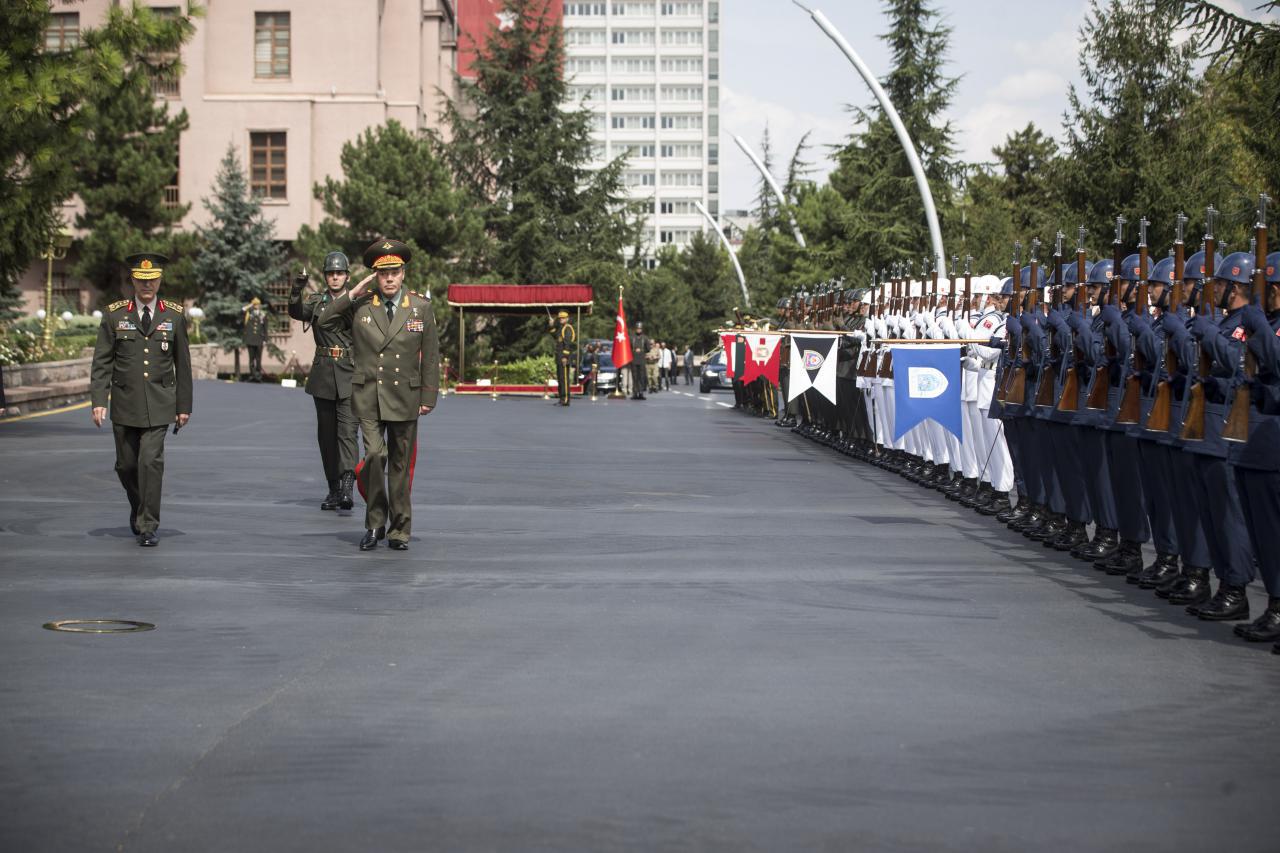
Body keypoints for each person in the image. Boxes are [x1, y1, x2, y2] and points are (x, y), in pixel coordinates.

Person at [318, 239, 439, 552]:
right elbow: (324, 319)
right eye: (382, 273)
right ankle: (374, 523)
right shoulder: (360, 305)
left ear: (403, 274)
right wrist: (352, 292)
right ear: (374, 275)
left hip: (405, 397)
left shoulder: (420, 307)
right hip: (369, 395)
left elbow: (432, 355)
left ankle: (399, 529)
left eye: (394, 272)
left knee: (399, 465)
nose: (388, 278)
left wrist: (429, 396)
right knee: (374, 456)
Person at [89, 252, 192, 546]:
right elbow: (102, 362)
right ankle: (138, 507)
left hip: (160, 404)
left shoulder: (173, 315)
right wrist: (99, 400)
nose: (147, 285)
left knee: (150, 463)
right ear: (133, 280)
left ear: (160, 280)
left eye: (152, 279)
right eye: (141, 279)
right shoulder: (114, 314)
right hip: (124, 403)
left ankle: (148, 524)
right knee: (126, 466)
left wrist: (183, 406)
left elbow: (182, 364)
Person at [290, 251, 359, 511]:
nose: (335, 277)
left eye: (339, 273)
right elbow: (297, 312)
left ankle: (347, 485)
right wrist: (297, 289)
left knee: (348, 432)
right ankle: (333, 488)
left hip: (350, 372)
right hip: (323, 374)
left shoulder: (356, 302)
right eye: (331, 273)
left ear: (347, 276)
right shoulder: (317, 302)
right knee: (326, 436)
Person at [548, 310, 575, 406]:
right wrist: (551, 325)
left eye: (563, 318)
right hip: (559, 357)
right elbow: (554, 335)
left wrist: (565, 357)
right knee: (560, 379)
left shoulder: (567, 328)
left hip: (564, 358)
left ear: (567, 319)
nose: (561, 319)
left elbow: (567, 344)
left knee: (564, 379)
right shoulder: (560, 328)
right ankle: (561, 398)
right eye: (560, 318)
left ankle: (566, 399)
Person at [242, 297, 269, 382]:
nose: (256, 306)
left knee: (258, 359)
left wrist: (265, 340)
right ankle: (253, 376)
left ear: (259, 305)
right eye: (255, 304)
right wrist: (250, 305)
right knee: (251, 360)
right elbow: (242, 310)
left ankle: (258, 376)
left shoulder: (263, 315)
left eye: (257, 304)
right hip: (250, 339)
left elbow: (265, 328)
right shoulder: (249, 314)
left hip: (259, 340)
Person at [630, 322, 650, 400]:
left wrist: (641, 350)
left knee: (641, 377)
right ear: (636, 329)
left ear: (642, 329)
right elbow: (628, 348)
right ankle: (635, 393)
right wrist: (634, 350)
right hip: (634, 360)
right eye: (637, 328)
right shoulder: (631, 337)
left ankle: (641, 392)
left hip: (641, 360)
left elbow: (648, 348)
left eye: (640, 328)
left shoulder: (645, 338)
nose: (639, 330)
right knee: (634, 377)